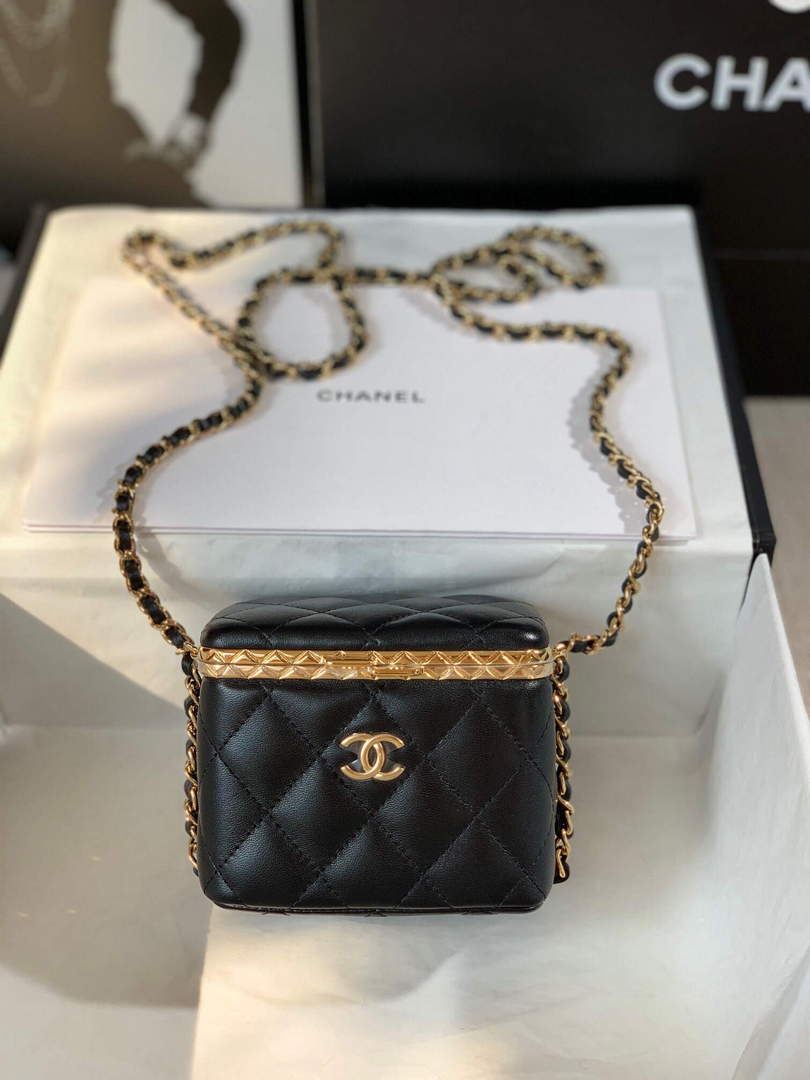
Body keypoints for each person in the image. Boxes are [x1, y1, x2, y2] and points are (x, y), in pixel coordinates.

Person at [0, 0, 242, 245]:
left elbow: (220, 26)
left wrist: (188, 137)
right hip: (15, 192)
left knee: (224, 244)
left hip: (107, 166)